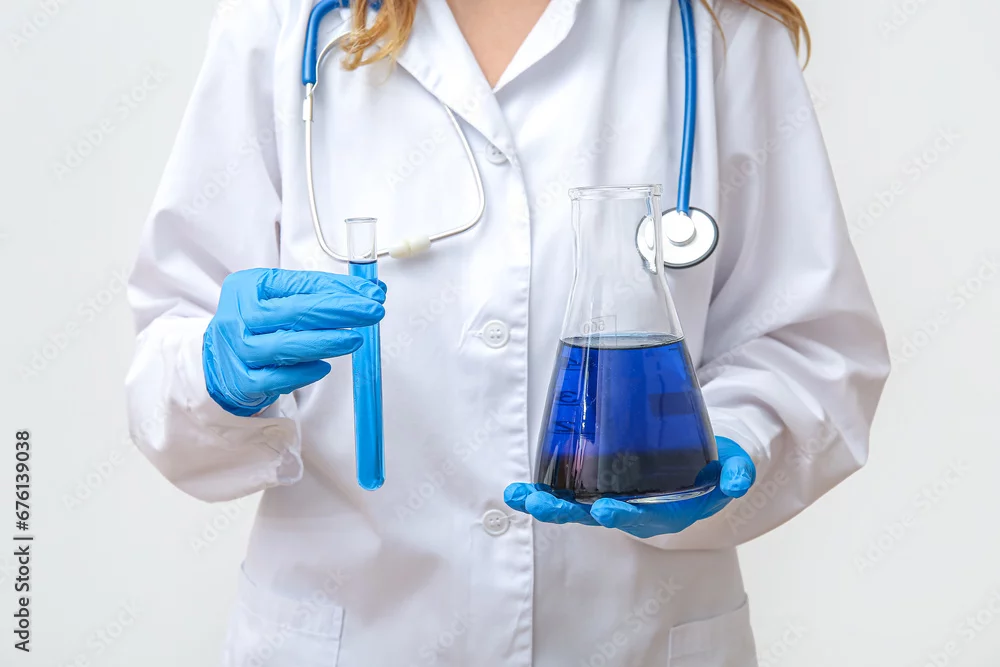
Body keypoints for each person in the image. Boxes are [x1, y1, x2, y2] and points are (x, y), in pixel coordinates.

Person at [125, 0, 890, 664]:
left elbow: (811, 347)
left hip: (632, 638)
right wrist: (214, 374)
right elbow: (168, 348)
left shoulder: (712, 28)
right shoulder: (284, 23)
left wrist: (728, 446)